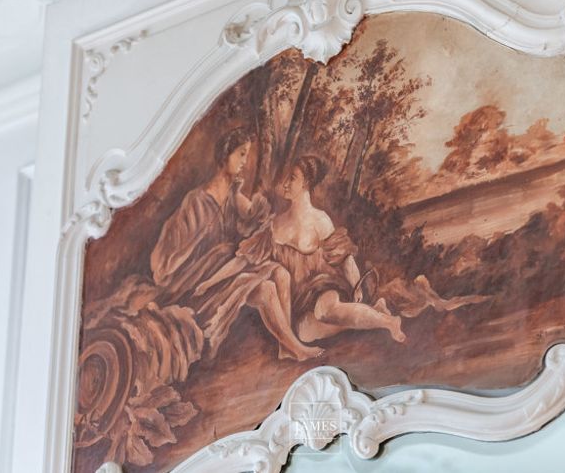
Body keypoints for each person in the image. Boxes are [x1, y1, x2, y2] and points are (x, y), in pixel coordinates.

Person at [195, 155, 406, 347]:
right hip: (298, 300)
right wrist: (209, 282)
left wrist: (357, 287)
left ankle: (389, 322)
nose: (285, 183)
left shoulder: (319, 219)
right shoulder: (274, 225)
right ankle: (373, 313)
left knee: (324, 311)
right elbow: (244, 260)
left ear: (306, 183)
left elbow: (344, 258)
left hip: (323, 284)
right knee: (304, 334)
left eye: (292, 178)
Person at [150, 127, 322, 361]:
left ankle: (286, 346)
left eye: (247, 155)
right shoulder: (196, 201)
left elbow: (254, 215)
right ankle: (296, 348)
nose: (244, 161)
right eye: (241, 154)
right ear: (225, 155)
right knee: (267, 289)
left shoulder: (233, 196)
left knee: (281, 274)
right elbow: (177, 252)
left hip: (226, 267)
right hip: (200, 279)